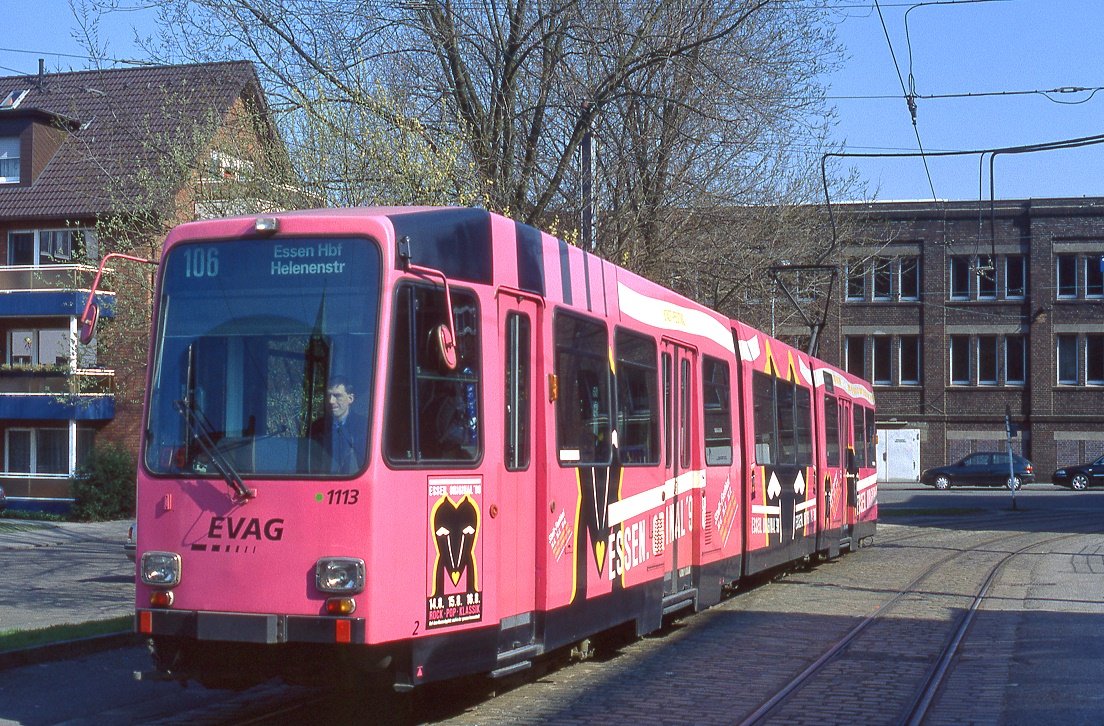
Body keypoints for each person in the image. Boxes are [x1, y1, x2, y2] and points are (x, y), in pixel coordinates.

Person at [310, 376, 368, 474]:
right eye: (329, 396)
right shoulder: (316, 428)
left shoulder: (364, 427)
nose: (331, 401)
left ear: (350, 398)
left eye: (337, 396)